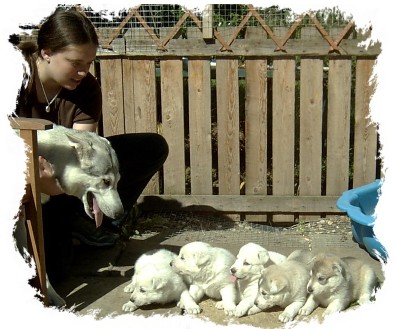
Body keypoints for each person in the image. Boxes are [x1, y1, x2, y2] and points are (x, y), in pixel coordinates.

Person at [13, 7, 169, 283]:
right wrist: (36, 183)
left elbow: (86, 153)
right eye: (76, 62)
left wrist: (56, 188)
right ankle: (72, 227)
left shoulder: (85, 88)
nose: (84, 71)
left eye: (89, 63)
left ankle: (89, 225)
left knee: (151, 147)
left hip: (62, 181)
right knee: (56, 275)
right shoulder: (14, 79)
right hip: (20, 181)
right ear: (46, 52)